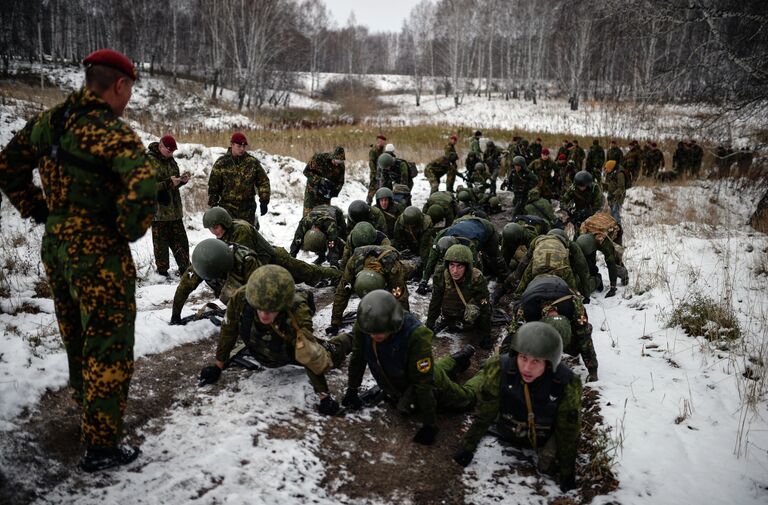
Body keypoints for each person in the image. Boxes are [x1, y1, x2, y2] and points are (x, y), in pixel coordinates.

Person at [0, 49, 154, 471]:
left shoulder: (52, 122)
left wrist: (40, 210)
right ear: (119, 85)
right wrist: (123, 229)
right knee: (108, 344)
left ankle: (89, 411)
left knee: (77, 337)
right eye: (130, 90)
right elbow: (143, 190)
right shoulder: (112, 132)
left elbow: (8, 165)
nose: (129, 99)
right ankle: (101, 445)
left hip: (58, 247)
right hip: (99, 254)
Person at [198, 265, 352, 415]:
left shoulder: (298, 312)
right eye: (260, 308)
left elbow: (308, 352)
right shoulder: (241, 297)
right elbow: (229, 329)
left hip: (290, 351)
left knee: (329, 356)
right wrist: (218, 365)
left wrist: (324, 397)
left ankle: (350, 339)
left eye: (271, 310)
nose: (264, 315)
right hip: (263, 349)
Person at [452, 322, 582, 492]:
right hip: (507, 427)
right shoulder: (500, 368)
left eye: (536, 361)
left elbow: (568, 431)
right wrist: (468, 447)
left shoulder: (567, 383)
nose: (527, 368)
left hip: (541, 438)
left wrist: (567, 473)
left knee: (548, 465)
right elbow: (485, 412)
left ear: (549, 363)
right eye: (523, 358)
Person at [342, 290, 478, 444]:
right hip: (407, 377)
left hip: (426, 379)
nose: (374, 336)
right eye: (371, 333)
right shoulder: (366, 324)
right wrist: (352, 389)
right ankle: (458, 359)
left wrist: (429, 424)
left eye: (379, 332)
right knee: (430, 371)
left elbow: (423, 381)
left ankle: (483, 375)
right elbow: (358, 358)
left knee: (466, 400)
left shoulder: (415, 334)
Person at [172, 209, 340, 323]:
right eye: (210, 229)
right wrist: (175, 315)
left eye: (215, 227)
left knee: (310, 273)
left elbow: (244, 264)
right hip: (260, 265)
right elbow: (187, 283)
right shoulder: (213, 249)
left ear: (224, 223)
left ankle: (340, 276)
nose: (214, 232)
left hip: (274, 260)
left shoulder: (241, 231)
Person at [503, 275, 598, 381]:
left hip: (559, 284)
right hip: (535, 284)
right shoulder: (527, 310)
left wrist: (593, 371)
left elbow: (584, 336)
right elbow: (512, 337)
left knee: (582, 333)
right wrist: (504, 367)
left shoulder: (574, 306)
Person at [326, 245, 410, 335]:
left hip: (389, 252)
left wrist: (403, 325)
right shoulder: (353, 263)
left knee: (410, 268)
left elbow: (401, 299)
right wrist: (335, 322)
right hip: (366, 255)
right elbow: (342, 293)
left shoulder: (393, 268)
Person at [418, 216, 509, 294]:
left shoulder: (469, 245)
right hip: (466, 223)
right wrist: (424, 280)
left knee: (494, 256)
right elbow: (431, 259)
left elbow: (473, 267)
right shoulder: (441, 237)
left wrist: (467, 286)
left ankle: (505, 276)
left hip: (485, 227)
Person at [426, 245, 492, 349]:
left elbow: (484, 307)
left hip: (469, 317)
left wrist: (486, 335)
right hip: (450, 313)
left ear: (467, 267)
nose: (455, 271)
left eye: (459, 266)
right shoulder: (441, 275)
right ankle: (449, 320)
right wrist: (429, 325)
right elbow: (435, 302)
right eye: (452, 265)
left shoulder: (476, 278)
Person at [208, 132, 270, 228]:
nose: (242, 149)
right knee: (227, 238)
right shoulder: (222, 163)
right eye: (239, 146)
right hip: (227, 208)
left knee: (245, 238)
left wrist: (264, 201)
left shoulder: (252, 163)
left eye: (244, 146)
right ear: (232, 145)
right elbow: (214, 185)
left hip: (247, 210)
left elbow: (263, 182)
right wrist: (213, 204)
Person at [148, 134, 190, 277]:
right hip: (159, 213)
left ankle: (185, 270)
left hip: (175, 212)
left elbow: (173, 184)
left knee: (182, 244)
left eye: (173, 151)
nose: (171, 153)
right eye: (168, 150)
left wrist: (181, 181)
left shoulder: (171, 161)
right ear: (160, 146)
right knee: (161, 248)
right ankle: (162, 275)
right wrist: (167, 183)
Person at [576, 212, 629, 298]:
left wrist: (612, 288)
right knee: (589, 259)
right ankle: (596, 279)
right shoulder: (582, 232)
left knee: (615, 260)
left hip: (613, 229)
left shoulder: (604, 242)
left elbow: (610, 263)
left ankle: (624, 275)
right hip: (595, 228)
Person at [302, 146, 345, 216]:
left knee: (324, 217)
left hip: (325, 195)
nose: (337, 164)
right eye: (336, 161)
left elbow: (340, 182)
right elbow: (306, 172)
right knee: (308, 216)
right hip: (312, 192)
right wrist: (320, 180)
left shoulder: (341, 166)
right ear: (332, 157)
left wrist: (335, 191)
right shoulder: (319, 158)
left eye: (340, 162)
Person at [367, 134, 386, 203]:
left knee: (381, 189)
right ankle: (368, 202)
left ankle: (379, 203)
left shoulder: (383, 150)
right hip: (375, 172)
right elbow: (371, 163)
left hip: (381, 173)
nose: (383, 143)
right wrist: (374, 173)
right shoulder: (373, 150)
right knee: (372, 188)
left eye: (384, 141)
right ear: (378, 141)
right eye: (381, 141)